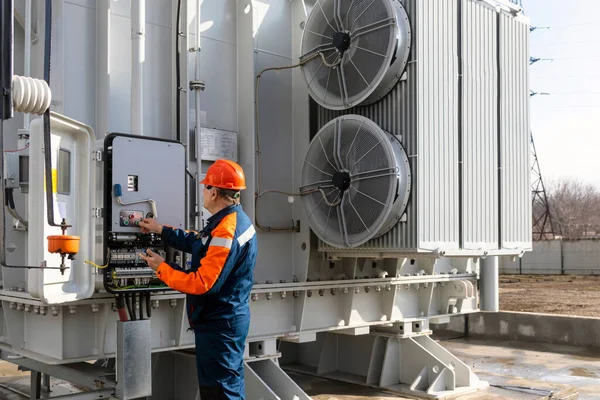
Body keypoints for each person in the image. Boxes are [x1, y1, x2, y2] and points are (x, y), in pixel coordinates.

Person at [138, 159, 257, 400]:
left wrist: (162, 268)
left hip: (220, 324)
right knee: (223, 387)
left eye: (205, 187)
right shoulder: (228, 221)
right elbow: (198, 242)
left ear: (214, 192)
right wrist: (162, 230)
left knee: (221, 392)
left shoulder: (226, 229)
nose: (203, 191)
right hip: (224, 320)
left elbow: (202, 283)